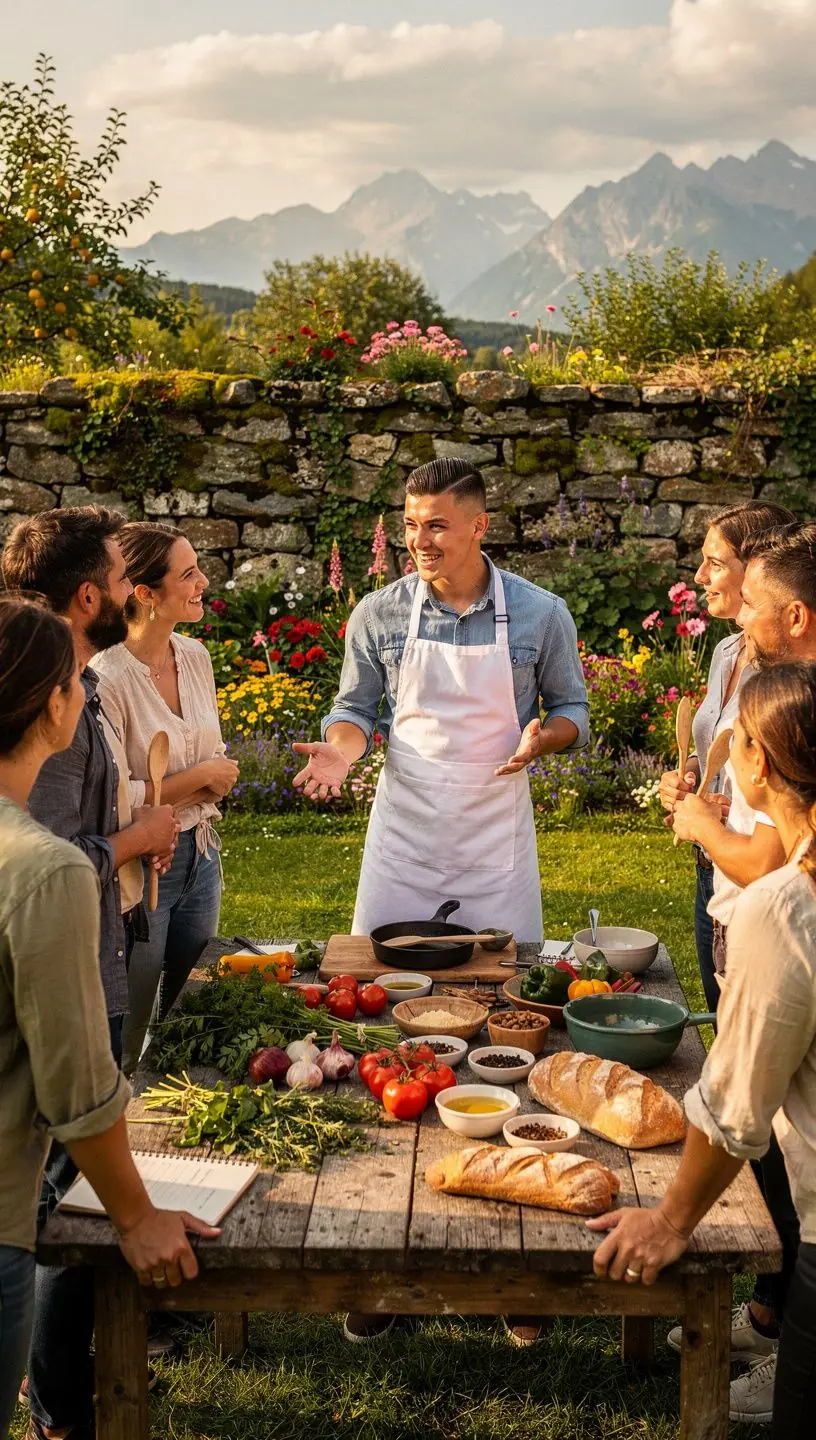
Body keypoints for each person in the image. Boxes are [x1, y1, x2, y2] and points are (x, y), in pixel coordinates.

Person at [293, 456, 589, 1344]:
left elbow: (572, 708)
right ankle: (376, 1263)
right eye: (410, 523)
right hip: (407, 837)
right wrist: (342, 751)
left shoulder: (539, 613)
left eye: (435, 525)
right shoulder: (379, 612)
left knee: (510, 1026)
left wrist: (547, 736)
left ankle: (515, 1269)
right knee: (382, 1030)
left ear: (478, 527)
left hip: (495, 835)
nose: (418, 541)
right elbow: (355, 708)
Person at [0, 595, 219, 1440]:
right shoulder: (45, 870)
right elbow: (78, 1087)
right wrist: (136, 1215)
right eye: (77, 685)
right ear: (56, 705)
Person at [589, 660, 816, 1437]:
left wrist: (672, 1222)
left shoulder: (782, 908)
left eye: (738, 737)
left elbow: (737, 1106)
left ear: (759, 761)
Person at [92, 522, 238, 1073]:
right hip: (144, 869)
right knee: (128, 1031)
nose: (203, 581)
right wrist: (200, 774)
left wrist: (196, 779)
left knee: (189, 1009)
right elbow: (114, 798)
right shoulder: (105, 678)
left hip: (201, 852)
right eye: (188, 573)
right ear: (145, 594)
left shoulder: (194, 655)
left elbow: (219, 766)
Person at [658, 502, 794, 1013]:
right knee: (721, 1015)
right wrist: (691, 777)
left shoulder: (786, 682)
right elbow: (715, 751)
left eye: (715, 562)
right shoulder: (727, 652)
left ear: (756, 566)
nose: (700, 576)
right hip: (712, 865)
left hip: (750, 861)